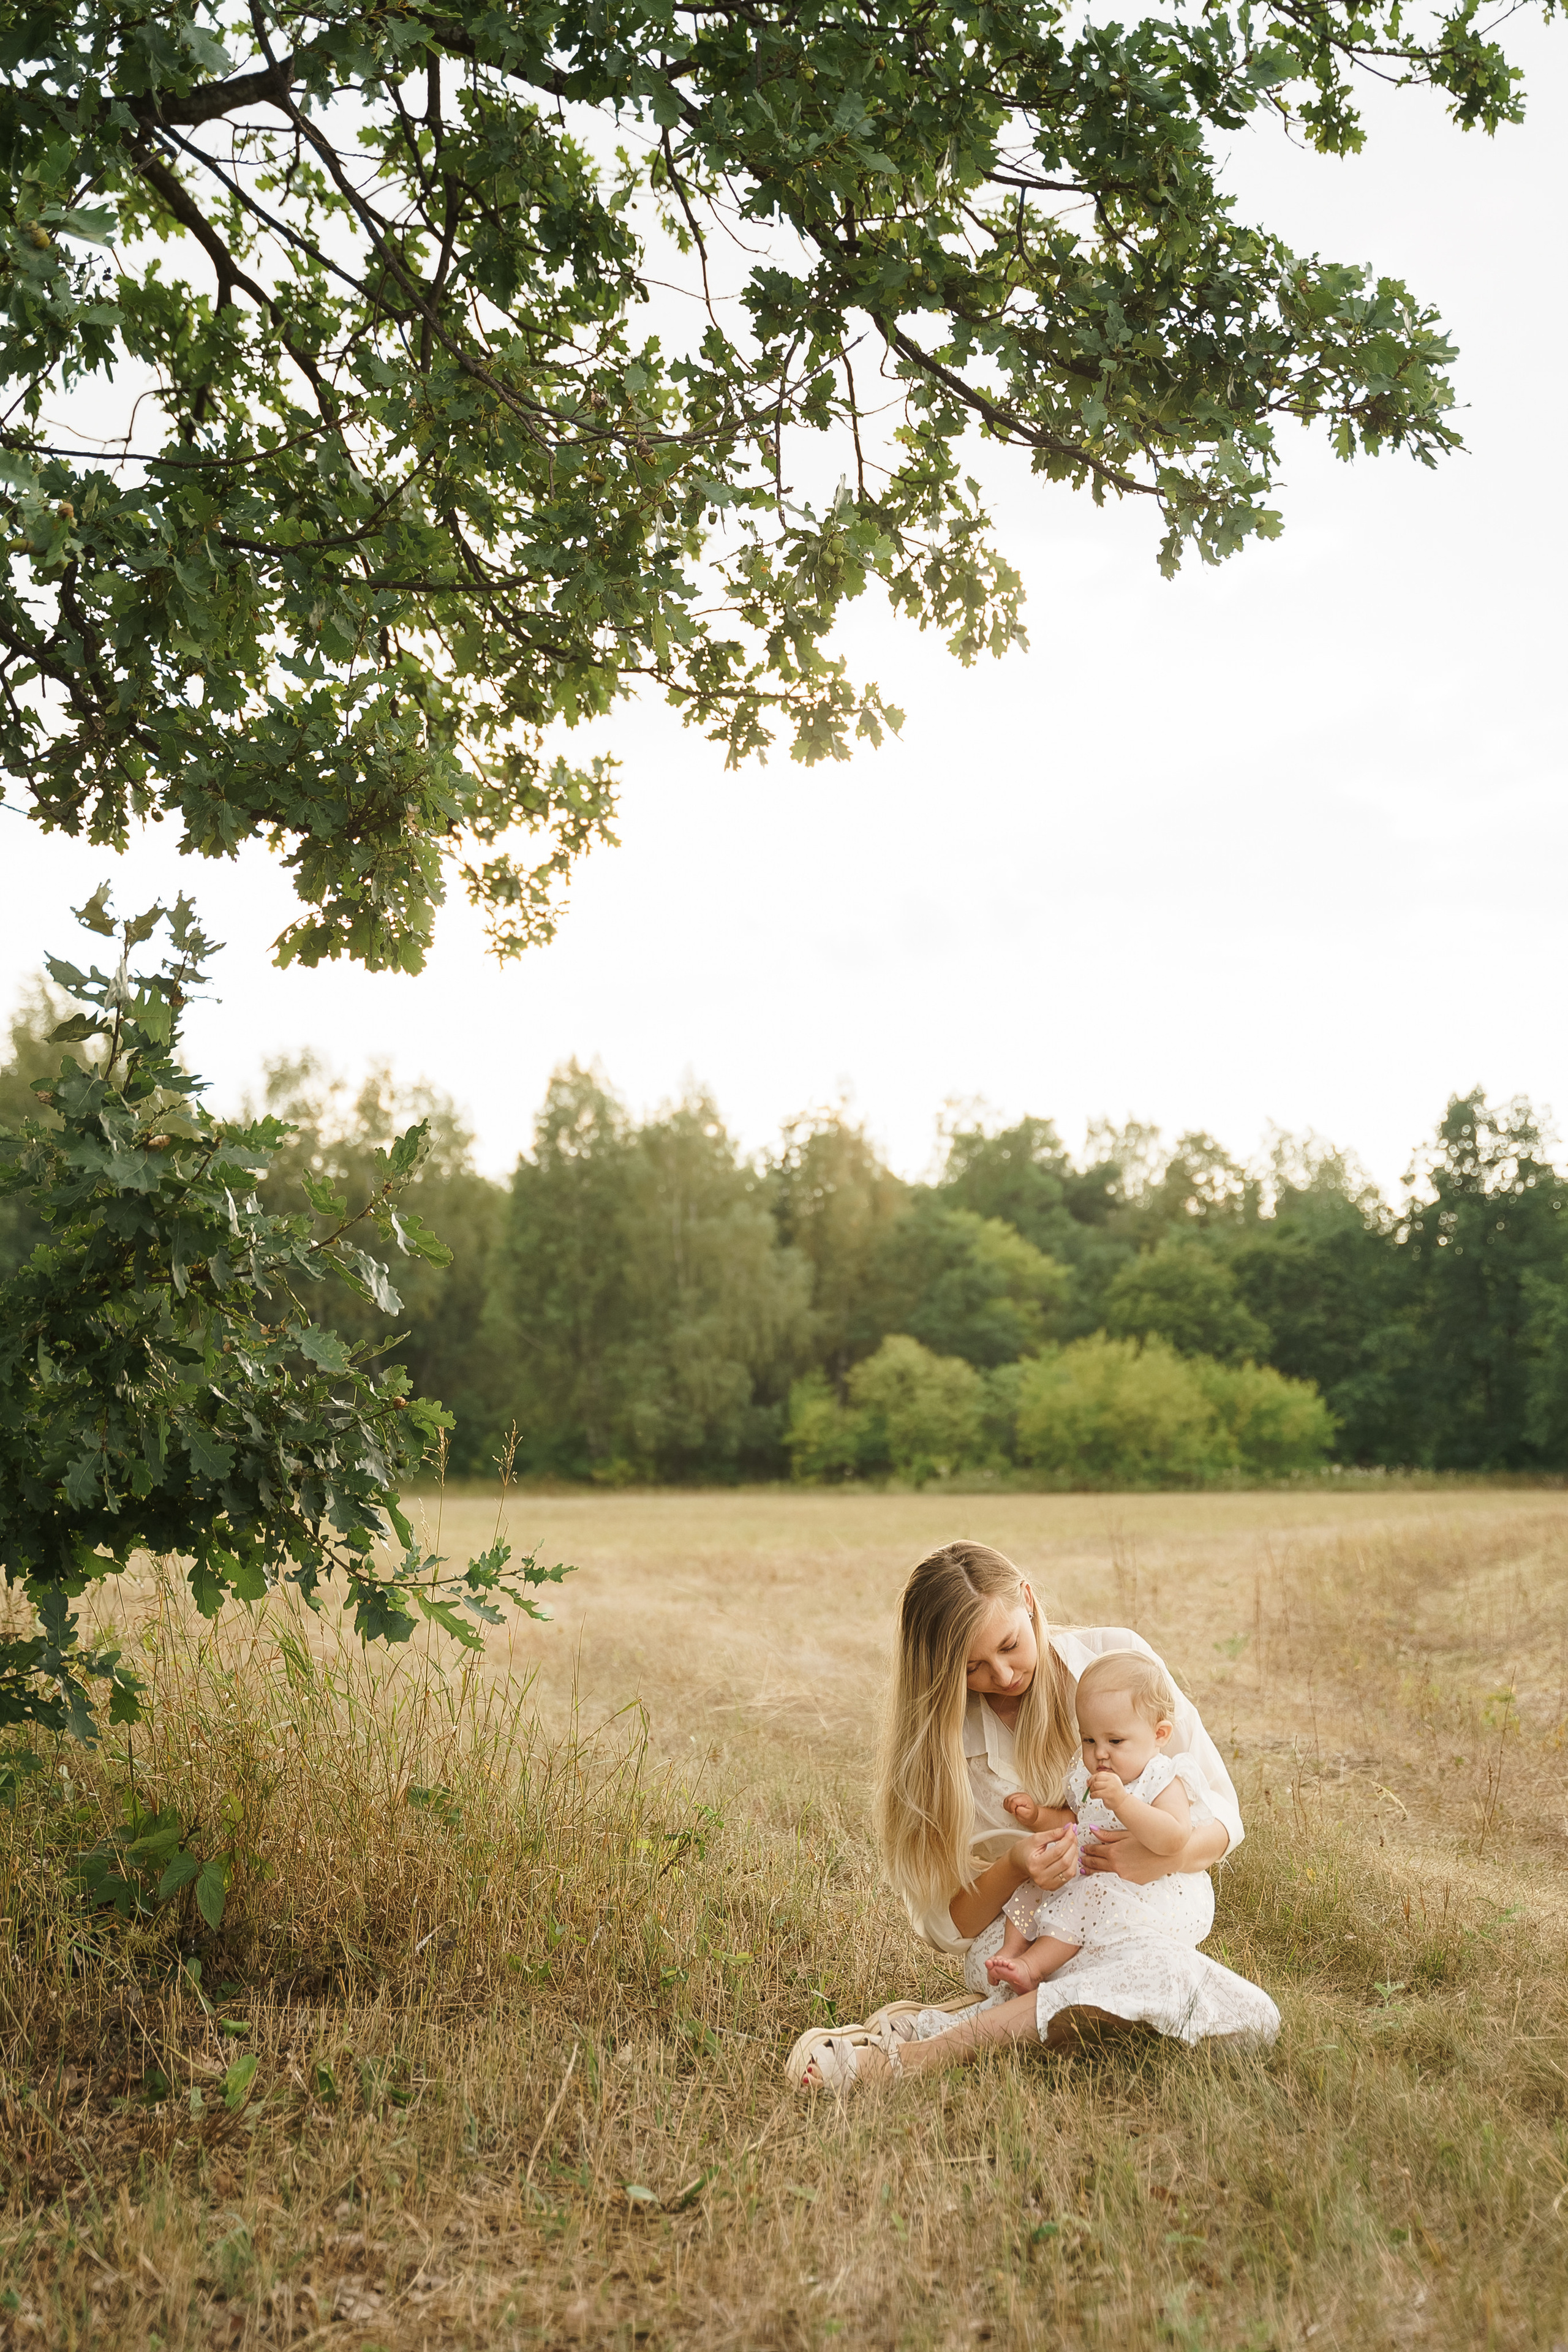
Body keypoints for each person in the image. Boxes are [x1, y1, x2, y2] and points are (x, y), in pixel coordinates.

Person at [789, 1540, 1280, 2090]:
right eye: (971, 1667)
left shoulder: (1116, 1662)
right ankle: (919, 2059)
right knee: (1173, 1985)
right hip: (1021, 1938)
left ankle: (944, 2025)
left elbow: (1220, 1812)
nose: (1001, 1675)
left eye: (1009, 1645)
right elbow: (946, 1926)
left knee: (1240, 2017)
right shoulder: (939, 1750)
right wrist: (1017, 1866)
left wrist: (1163, 1854)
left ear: (1027, 1600)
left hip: (1134, 1918)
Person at [986, 1648, 1223, 1996]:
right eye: (1089, 1740)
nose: (1100, 1753)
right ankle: (1010, 1951)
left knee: (1090, 1900)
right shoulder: (1087, 1774)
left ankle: (1033, 1967)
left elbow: (1174, 1837)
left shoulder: (1163, 1777)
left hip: (1145, 1888)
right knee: (1035, 1886)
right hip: (1089, 1871)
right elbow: (1076, 1819)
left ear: (1159, 1735)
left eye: (1115, 1741)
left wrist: (1122, 1802)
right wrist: (1038, 1816)